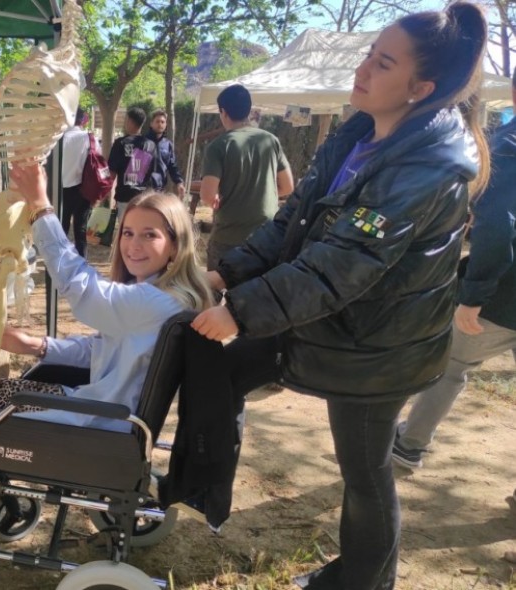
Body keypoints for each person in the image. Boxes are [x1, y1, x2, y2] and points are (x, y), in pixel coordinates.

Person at [191, 4, 489, 589]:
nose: (362, 69)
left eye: (382, 62)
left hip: (381, 348)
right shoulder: (359, 134)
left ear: (421, 87)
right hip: (340, 327)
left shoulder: (425, 168)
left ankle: (361, 581)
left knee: (366, 469)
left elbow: (342, 264)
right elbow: (292, 221)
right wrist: (225, 276)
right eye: (368, 54)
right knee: (355, 462)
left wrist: (240, 313)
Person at [0, 161, 214, 547]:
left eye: (150, 235)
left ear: (175, 244)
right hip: (103, 412)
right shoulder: (162, 295)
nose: (134, 245)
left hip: (100, 422)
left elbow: (79, 288)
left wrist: (43, 207)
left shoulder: (152, 300)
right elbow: (101, 347)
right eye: (128, 233)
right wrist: (38, 346)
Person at [392, 70, 516, 470]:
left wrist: (474, 294)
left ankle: (410, 443)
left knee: (451, 367)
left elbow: (498, 226)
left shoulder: (508, 147)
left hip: (503, 296)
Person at [200, 84, 294, 270]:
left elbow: (208, 195)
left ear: (223, 112)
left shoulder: (219, 146)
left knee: (215, 294)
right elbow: (288, 187)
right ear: (249, 111)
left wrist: (216, 199)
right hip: (266, 236)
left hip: (228, 236)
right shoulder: (270, 140)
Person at [107, 107, 160, 220]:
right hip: (144, 198)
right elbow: (153, 172)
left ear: (130, 121)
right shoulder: (151, 145)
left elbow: (112, 174)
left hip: (124, 196)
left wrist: (107, 195)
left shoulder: (120, 143)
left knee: (126, 230)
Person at [60, 107, 92, 256]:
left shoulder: (59, 138)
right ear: (82, 120)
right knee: (80, 230)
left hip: (61, 189)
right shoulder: (87, 137)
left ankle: (60, 263)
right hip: (83, 188)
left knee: (61, 230)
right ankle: (82, 264)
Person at [145, 108, 186, 200]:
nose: (160, 124)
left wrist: (179, 183)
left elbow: (173, 166)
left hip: (160, 189)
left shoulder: (168, 145)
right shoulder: (142, 142)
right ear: (151, 124)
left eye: (163, 122)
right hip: (142, 190)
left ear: (166, 125)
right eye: (157, 121)